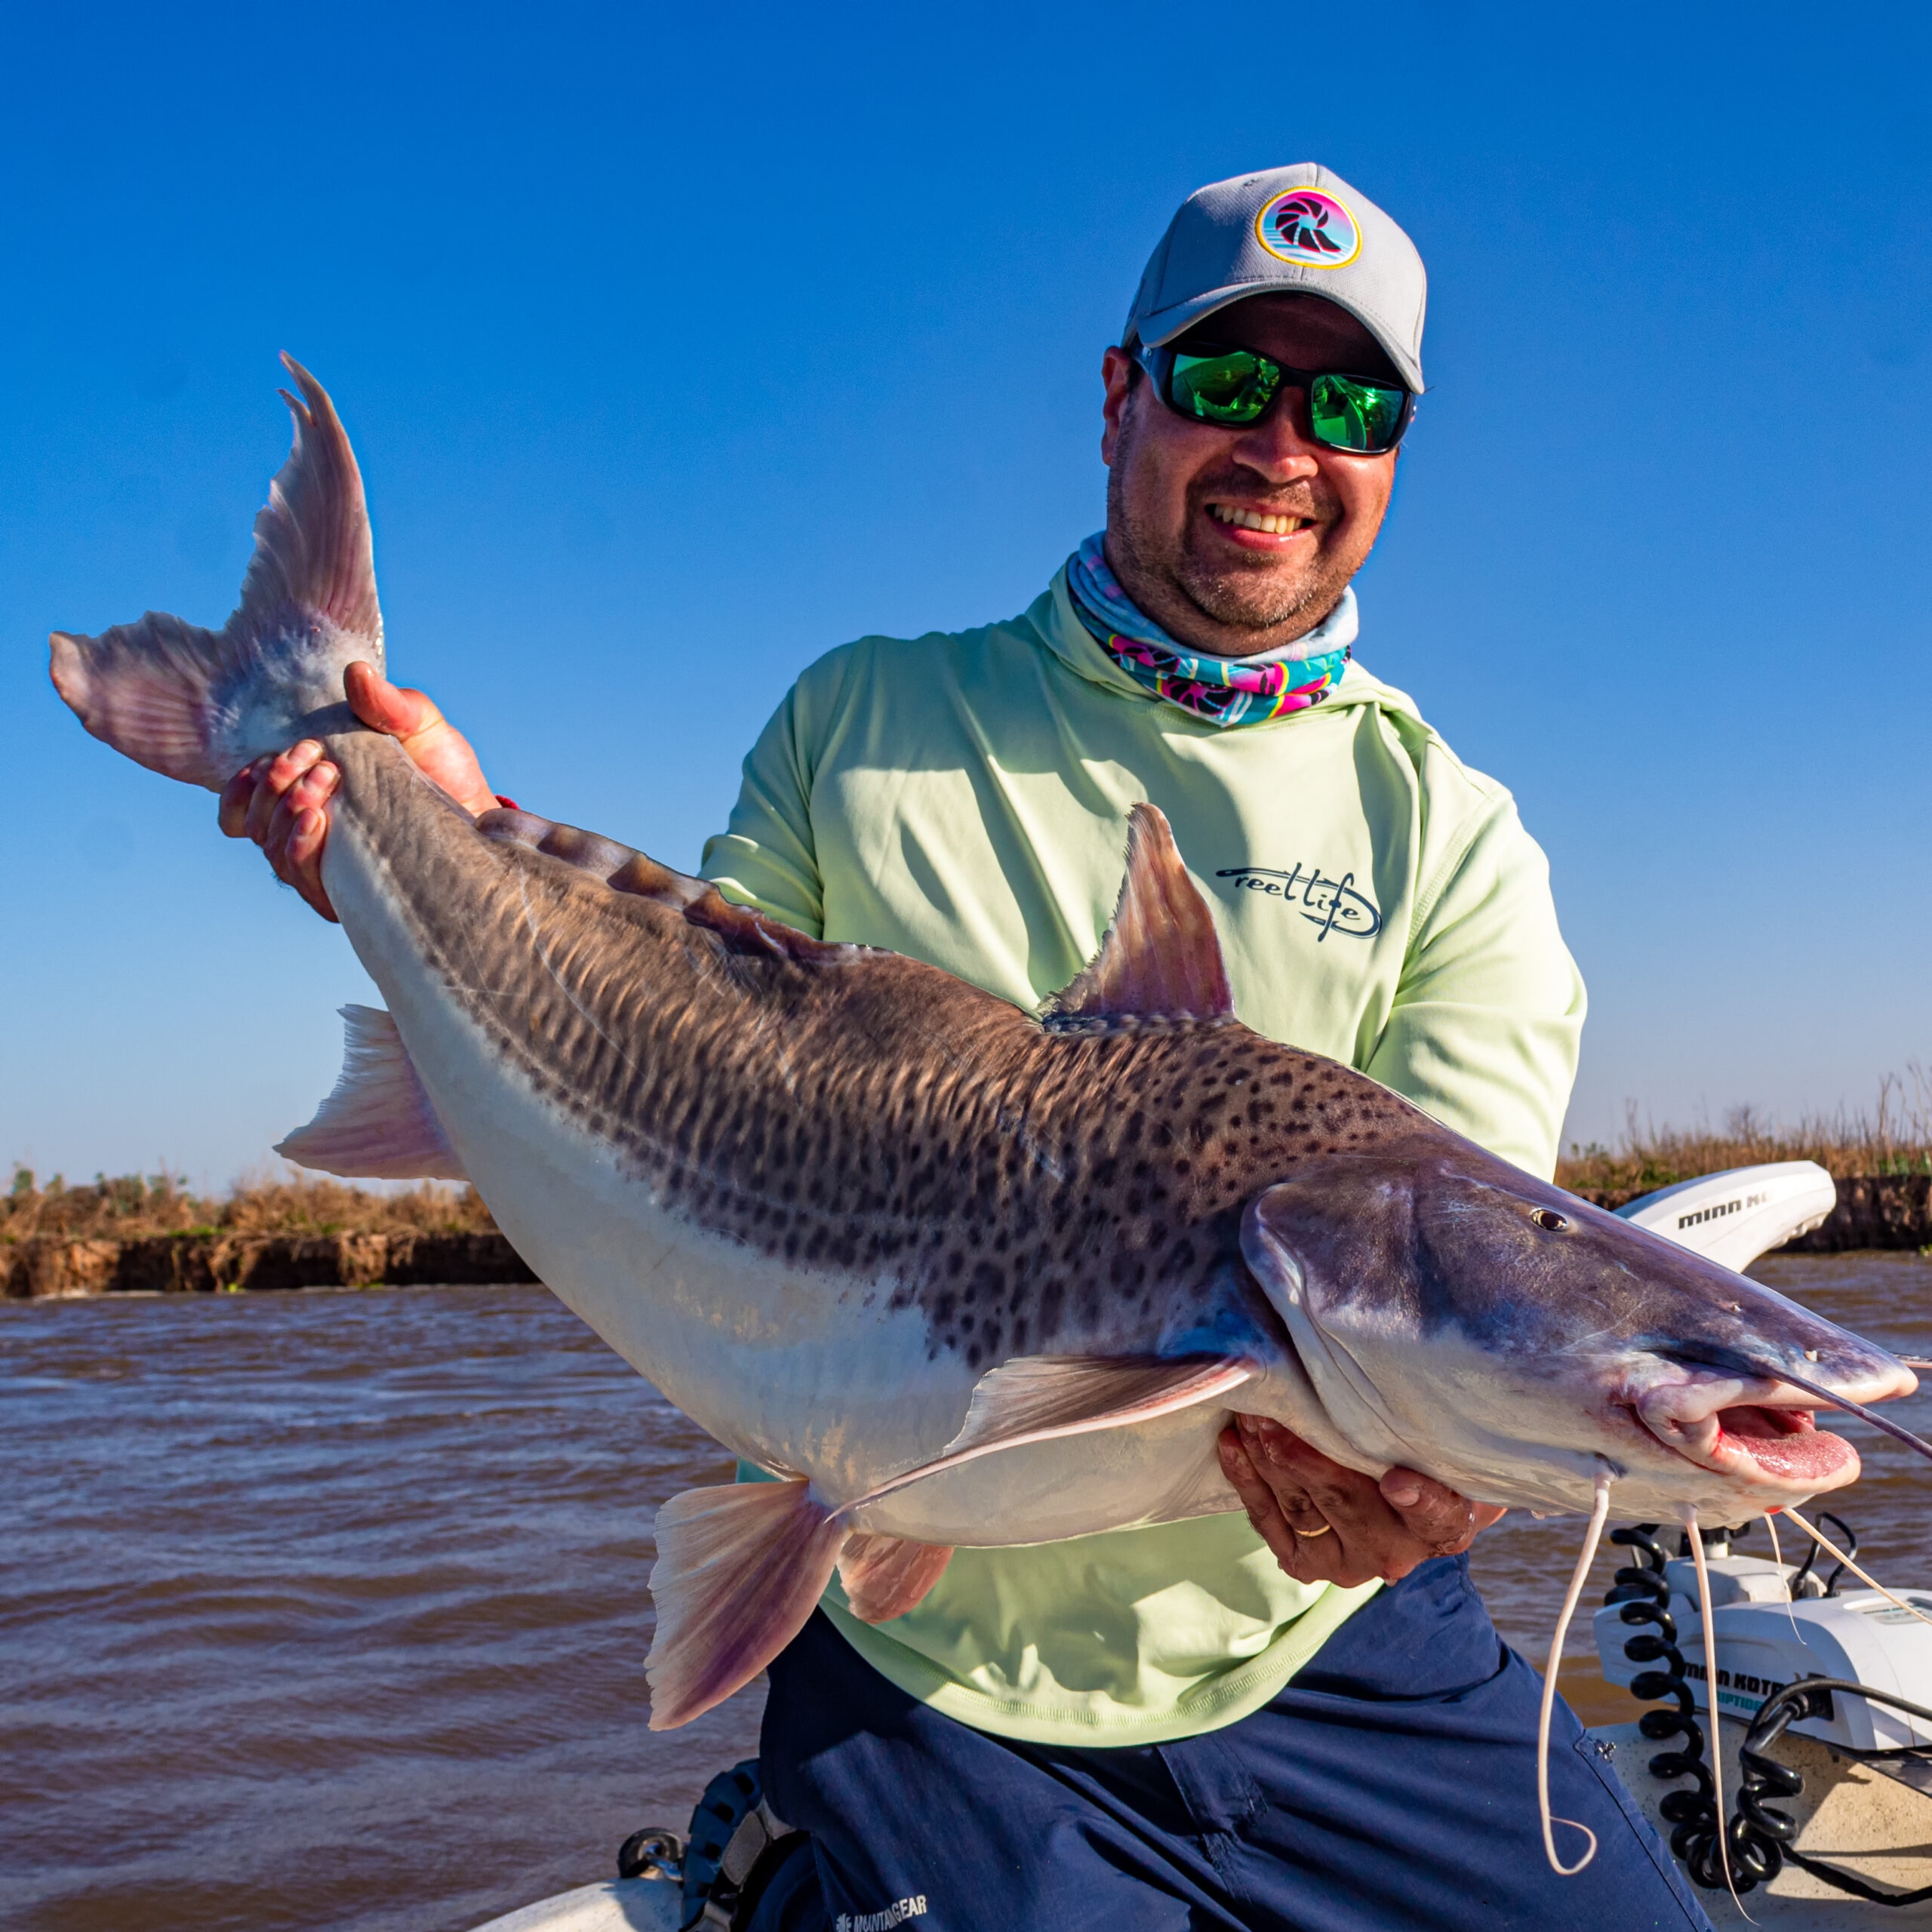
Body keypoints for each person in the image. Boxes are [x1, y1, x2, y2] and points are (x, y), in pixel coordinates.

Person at [223, 166, 1713, 1931]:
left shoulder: (1453, 837)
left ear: (1392, 450)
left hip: (1329, 1645)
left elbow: (1464, 1282)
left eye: (1349, 406)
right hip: (923, 1666)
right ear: (1120, 395)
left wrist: (1440, 1490)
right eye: (1227, 380)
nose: (1281, 446)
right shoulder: (863, 716)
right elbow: (689, 1026)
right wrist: (446, 841)